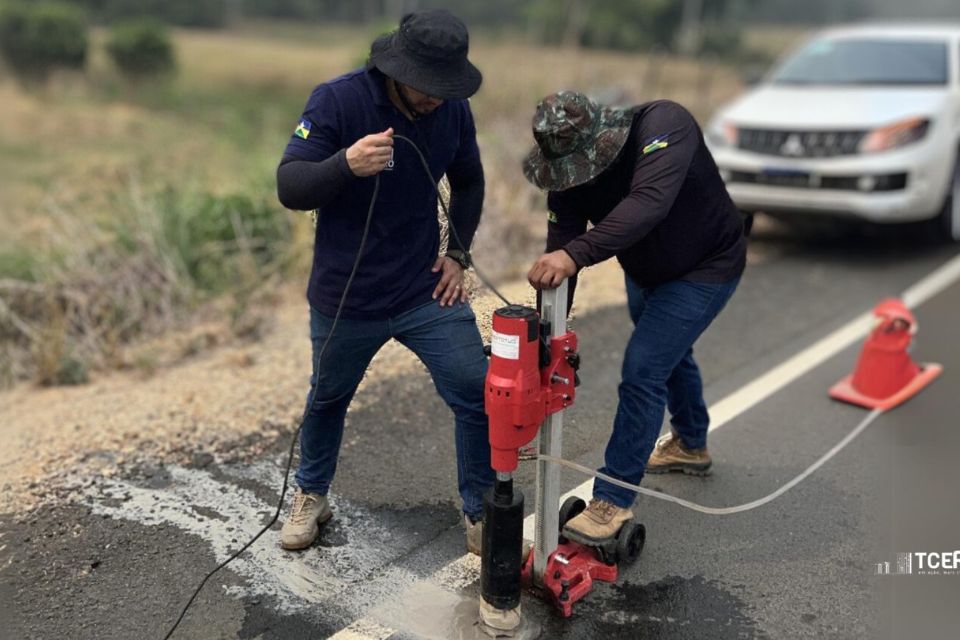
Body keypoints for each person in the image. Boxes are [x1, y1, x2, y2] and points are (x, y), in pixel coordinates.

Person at [275, 9, 493, 553]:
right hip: (346, 293)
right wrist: (344, 164)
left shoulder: (452, 110)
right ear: (396, 70)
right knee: (328, 398)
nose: (437, 99)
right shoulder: (338, 100)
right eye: (427, 88)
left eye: (447, 88)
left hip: (424, 288)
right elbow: (290, 185)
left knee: (476, 390)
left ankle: (482, 510)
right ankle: (311, 494)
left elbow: (469, 181)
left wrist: (458, 255)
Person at [522, 92, 747, 545]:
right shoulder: (566, 169)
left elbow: (649, 203)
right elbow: (561, 247)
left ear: (603, 136)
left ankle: (612, 501)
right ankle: (690, 444)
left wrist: (574, 254)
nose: (577, 178)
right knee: (667, 353)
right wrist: (546, 337)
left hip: (707, 266)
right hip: (645, 272)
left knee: (644, 368)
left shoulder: (665, 125)